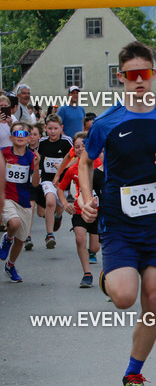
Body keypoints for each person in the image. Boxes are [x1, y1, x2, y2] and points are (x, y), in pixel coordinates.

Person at [78, 41, 156, 386]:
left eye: (145, 74)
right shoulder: (107, 122)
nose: (139, 81)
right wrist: (84, 198)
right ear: (121, 77)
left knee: (153, 299)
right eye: (132, 75)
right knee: (125, 297)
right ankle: (110, 277)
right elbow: (84, 162)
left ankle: (134, 373)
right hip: (118, 221)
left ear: (153, 76)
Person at [57, 131, 102, 287]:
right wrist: (65, 203)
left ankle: (92, 251)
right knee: (80, 238)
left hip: (97, 210)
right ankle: (87, 274)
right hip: (78, 209)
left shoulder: (98, 164)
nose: (81, 149)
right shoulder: (72, 170)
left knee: (95, 247)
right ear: (73, 150)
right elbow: (60, 189)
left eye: (84, 145)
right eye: (77, 147)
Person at [0, 122, 40, 282]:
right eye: (17, 134)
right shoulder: (3, 153)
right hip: (6, 196)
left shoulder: (31, 157)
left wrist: (36, 167)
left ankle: (10, 266)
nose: (20, 137)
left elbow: (35, 184)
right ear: (11, 137)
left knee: (21, 240)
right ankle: (7, 238)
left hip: (24, 199)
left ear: (30, 138)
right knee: (14, 224)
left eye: (24, 134)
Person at [36, 114, 73, 248]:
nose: (53, 131)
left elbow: (75, 157)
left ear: (61, 128)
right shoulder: (42, 142)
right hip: (47, 179)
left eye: (56, 128)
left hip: (63, 181)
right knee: (50, 202)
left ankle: (58, 217)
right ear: (45, 128)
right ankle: (49, 235)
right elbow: (38, 157)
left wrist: (63, 166)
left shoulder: (67, 141)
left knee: (59, 207)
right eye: (50, 128)